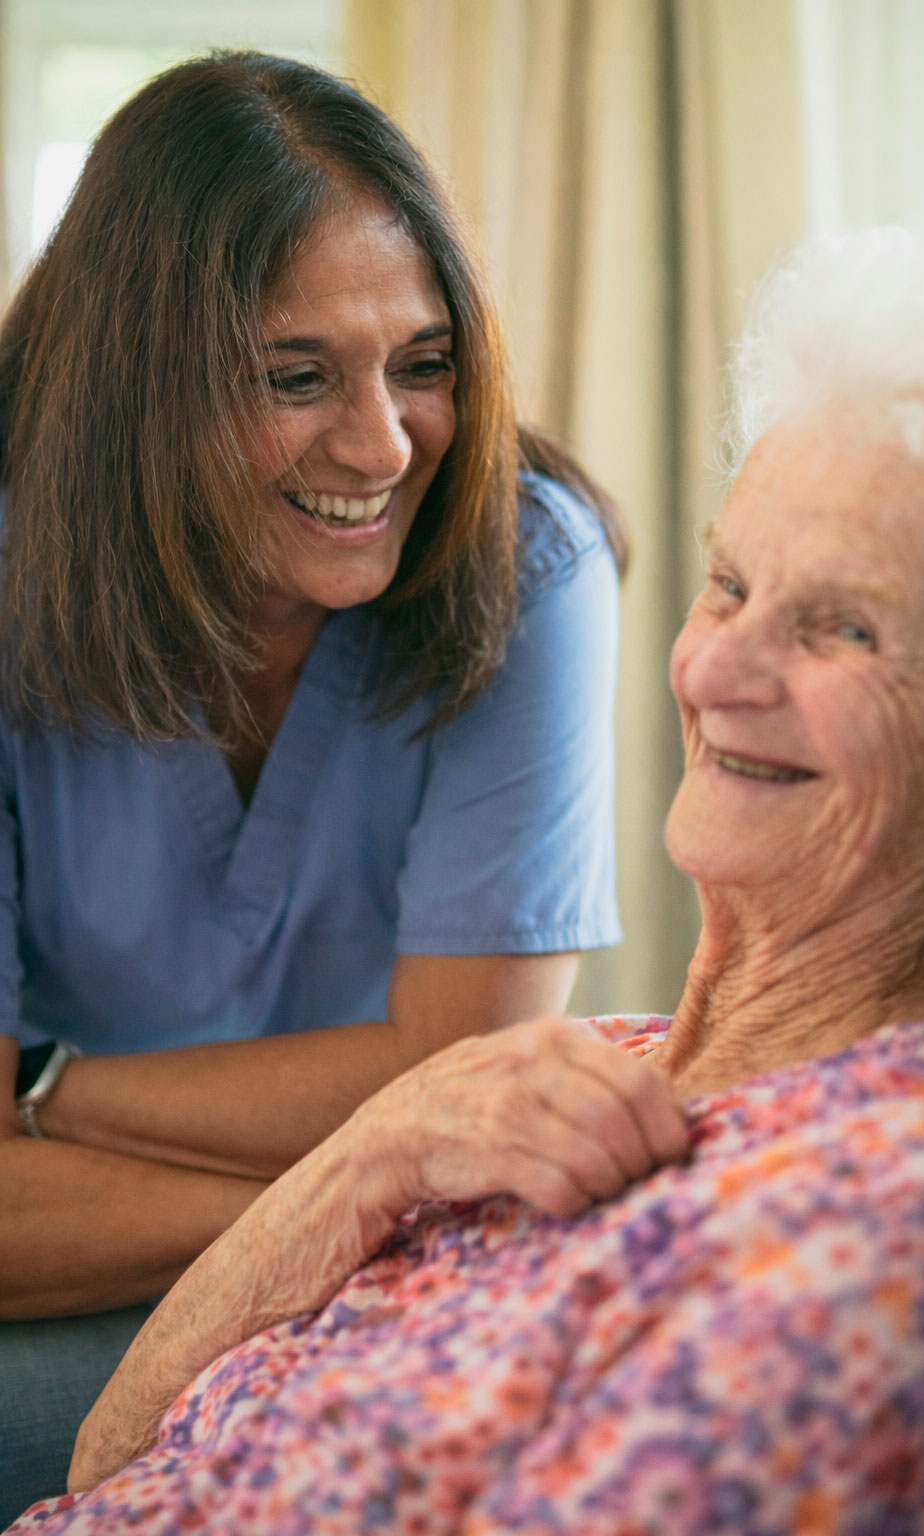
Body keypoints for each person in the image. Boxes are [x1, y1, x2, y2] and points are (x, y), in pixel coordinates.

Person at [8, 225, 924, 1536]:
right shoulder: (603, 1061)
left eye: (845, 628)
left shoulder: (873, 1221)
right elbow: (108, 1463)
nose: (714, 676)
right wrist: (364, 1154)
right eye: (728, 586)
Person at [0, 51, 627, 1523]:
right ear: (133, 390)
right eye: (296, 377)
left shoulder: (526, 566)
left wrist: (48, 1097)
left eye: (422, 362)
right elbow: (434, 1116)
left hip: (252, 1227)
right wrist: (328, 1209)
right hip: (182, 1265)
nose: (382, 444)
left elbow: (462, 1065)